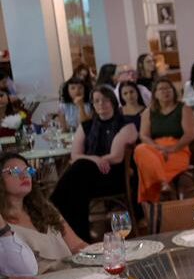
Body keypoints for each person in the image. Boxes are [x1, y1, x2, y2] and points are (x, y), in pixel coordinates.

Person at [49, 87, 138, 241]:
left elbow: (116, 157)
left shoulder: (126, 124)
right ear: (92, 105)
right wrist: (95, 159)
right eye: (96, 101)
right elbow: (75, 154)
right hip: (88, 176)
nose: (101, 103)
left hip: (112, 176)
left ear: (113, 101)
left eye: (105, 100)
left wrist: (90, 160)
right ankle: (78, 235)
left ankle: (55, 210)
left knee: (78, 172)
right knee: (77, 185)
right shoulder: (87, 125)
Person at [134, 79, 194, 207]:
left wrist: (173, 148)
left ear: (173, 91)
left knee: (149, 168)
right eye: (161, 89)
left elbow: (190, 134)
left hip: (178, 149)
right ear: (155, 94)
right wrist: (157, 148)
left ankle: (160, 203)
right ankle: (163, 183)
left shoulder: (183, 109)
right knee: (140, 149)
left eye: (168, 88)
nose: (165, 91)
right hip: (155, 149)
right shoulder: (148, 112)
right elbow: (144, 135)